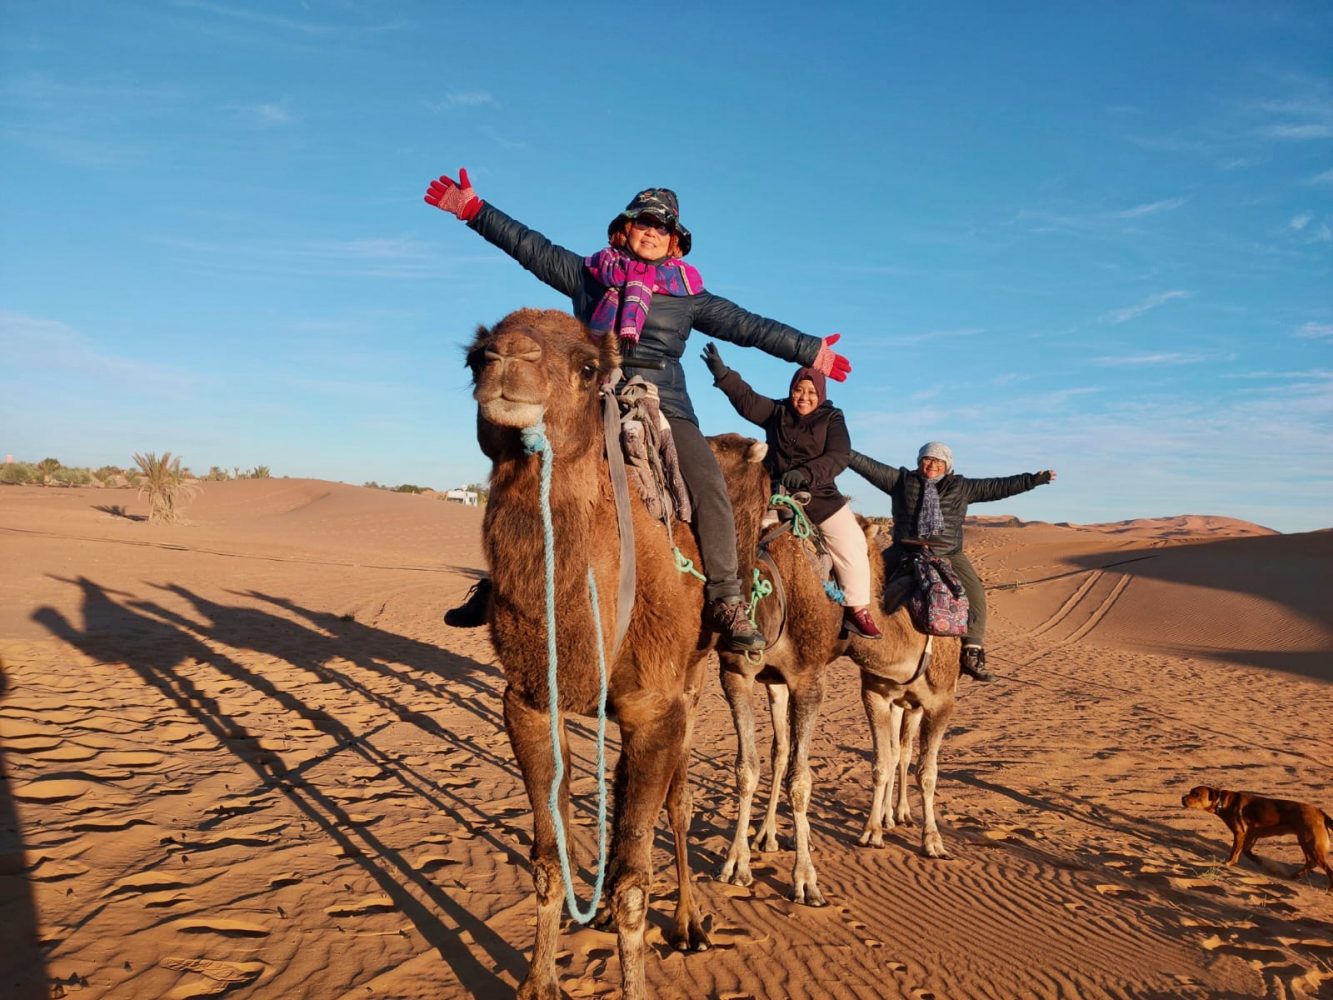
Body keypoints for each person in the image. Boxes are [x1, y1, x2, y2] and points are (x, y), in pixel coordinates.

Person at [425, 169, 853, 650]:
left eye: (662, 227)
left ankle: (727, 599)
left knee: (710, 487)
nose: (652, 231)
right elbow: (531, 248)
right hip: (591, 392)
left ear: (675, 242)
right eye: (644, 222)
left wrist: (809, 350)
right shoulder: (589, 276)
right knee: (526, 467)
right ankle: (502, 583)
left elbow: (749, 327)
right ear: (625, 229)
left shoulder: (688, 295)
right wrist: (474, 211)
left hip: (663, 399)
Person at [701, 343, 881, 640]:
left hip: (820, 497)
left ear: (820, 394)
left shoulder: (832, 418)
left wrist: (807, 473)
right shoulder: (778, 412)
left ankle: (857, 610)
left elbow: (839, 455)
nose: (804, 397)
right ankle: (727, 602)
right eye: (799, 390)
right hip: (775, 495)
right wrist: (724, 375)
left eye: (811, 392)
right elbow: (748, 401)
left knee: (852, 543)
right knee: (740, 537)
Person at [848, 442, 1056, 681]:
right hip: (905, 548)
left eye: (939, 461)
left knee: (975, 593)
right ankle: (847, 634)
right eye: (927, 459)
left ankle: (972, 651)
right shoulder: (901, 481)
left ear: (947, 465)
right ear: (919, 461)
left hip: (947, 553)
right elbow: (867, 465)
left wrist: (1033, 480)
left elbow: (1000, 486)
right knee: (862, 580)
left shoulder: (962, 487)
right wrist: (841, 449)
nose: (932, 465)